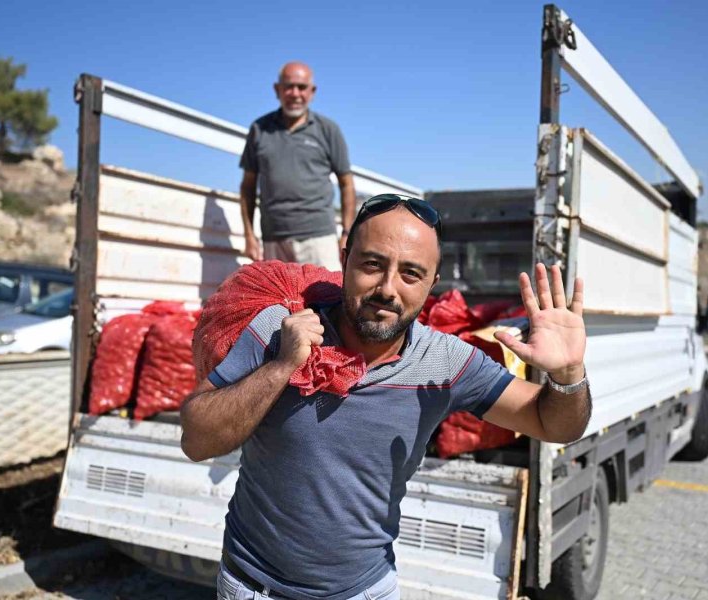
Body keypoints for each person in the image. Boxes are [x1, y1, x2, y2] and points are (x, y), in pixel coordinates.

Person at [181, 194, 591, 600]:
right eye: (372, 264)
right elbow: (197, 440)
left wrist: (568, 374)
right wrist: (281, 366)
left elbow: (553, 424)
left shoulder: (445, 362)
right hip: (256, 589)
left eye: (411, 273)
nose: (387, 289)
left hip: (366, 590)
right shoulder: (281, 327)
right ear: (345, 260)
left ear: (433, 283)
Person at [239, 61, 356, 271]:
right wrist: (249, 236)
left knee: (328, 301)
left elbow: (346, 184)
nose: (295, 93)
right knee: (279, 302)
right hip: (273, 240)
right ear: (277, 90)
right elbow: (247, 187)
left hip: (319, 239)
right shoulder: (259, 129)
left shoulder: (328, 130)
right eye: (288, 86)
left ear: (312, 92)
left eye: (301, 87)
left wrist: (347, 233)